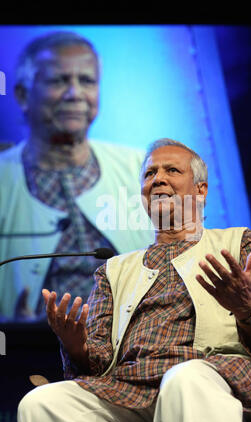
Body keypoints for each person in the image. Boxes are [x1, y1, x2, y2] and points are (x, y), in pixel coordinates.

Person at [17, 138, 251, 422]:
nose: (158, 178)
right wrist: (77, 348)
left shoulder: (238, 244)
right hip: (126, 391)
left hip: (213, 377)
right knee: (40, 403)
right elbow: (99, 363)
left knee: (183, 380)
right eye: (150, 174)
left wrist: (250, 311)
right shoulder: (113, 270)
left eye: (172, 170)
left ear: (201, 191)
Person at [0, 31, 154, 321]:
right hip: (32, 352)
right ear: (22, 95)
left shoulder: (143, 168)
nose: (75, 94)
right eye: (59, 81)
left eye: (87, 81)